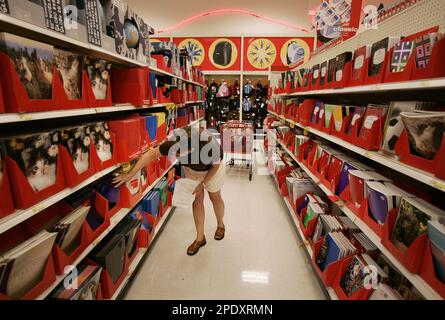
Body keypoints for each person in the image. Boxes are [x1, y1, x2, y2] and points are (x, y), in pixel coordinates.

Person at [113, 126, 225, 256]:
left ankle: (220, 225)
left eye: (180, 153)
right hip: (192, 170)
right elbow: (150, 155)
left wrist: (204, 183)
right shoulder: (173, 143)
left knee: (214, 196)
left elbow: (215, 165)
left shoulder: (209, 145)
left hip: (212, 170)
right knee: (197, 200)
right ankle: (200, 238)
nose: (176, 155)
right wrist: (130, 174)